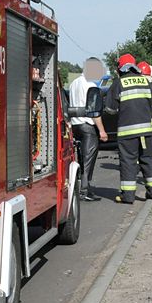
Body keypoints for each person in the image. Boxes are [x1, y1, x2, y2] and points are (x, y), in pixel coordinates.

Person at [105, 54, 152, 204]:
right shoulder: (146, 81)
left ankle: (128, 196)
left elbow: (110, 109)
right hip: (147, 131)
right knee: (148, 159)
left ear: (120, 68)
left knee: (128, 161)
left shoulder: (118, 83)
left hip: (127, 132)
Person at [69, 57, 108, 201]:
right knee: (88, 160)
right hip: (87, 127)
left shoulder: (74, 84)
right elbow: (95, 111)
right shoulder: (91, 86)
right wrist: (102, 131)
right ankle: (84, 191)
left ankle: (81, 188)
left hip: (75, 125)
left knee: (79, 159)